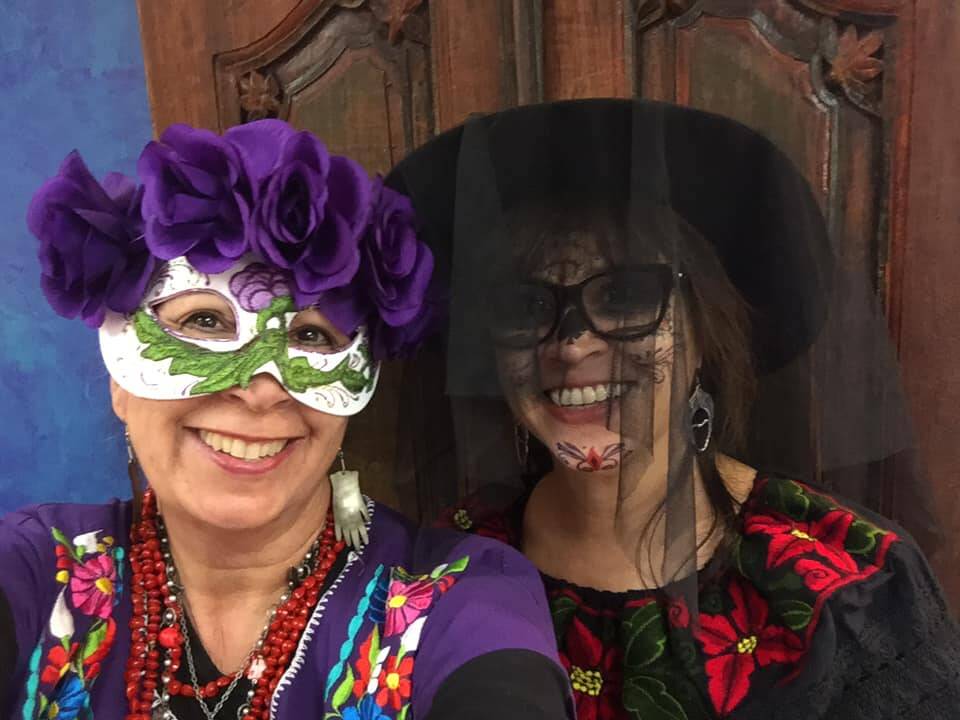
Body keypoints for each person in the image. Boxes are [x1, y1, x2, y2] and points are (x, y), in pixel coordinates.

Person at [384, 99, 960, 719]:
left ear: (704, 328)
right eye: (526, 307)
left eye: (626, 296)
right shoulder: (438, 575)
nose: (573, 344)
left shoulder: (848, 584)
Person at [0, 120, 573, 720]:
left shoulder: (462, 597)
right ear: (119, 380)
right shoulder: (39, 568)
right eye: (203, 322)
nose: (260, 392)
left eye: (310, 335)